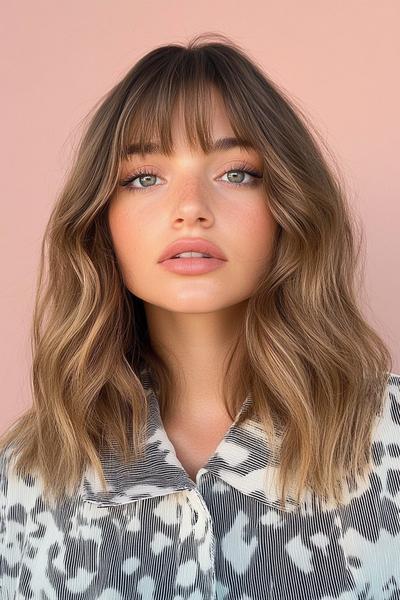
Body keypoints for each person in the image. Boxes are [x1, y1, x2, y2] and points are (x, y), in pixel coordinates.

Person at [1, 32, 399, 599]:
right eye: (144, 178)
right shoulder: (31, 472)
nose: (190, 207)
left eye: (236, 173)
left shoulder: (392, 438)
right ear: (100, 220)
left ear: (288, 205)